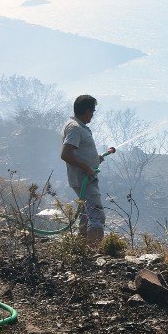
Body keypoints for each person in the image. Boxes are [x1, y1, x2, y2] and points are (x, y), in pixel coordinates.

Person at [61, 95, 105, 247]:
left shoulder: (77, 126)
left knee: (86, 215)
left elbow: (78, 151)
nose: (93, 114)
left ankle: (82, 248)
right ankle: (94, 250)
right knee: (96, 214)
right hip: (84, 179)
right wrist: (87, 167)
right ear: (86, 111)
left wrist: (94, 159)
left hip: (84, 177)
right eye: (92, 111)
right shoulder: (75, 128)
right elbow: (66, 154)